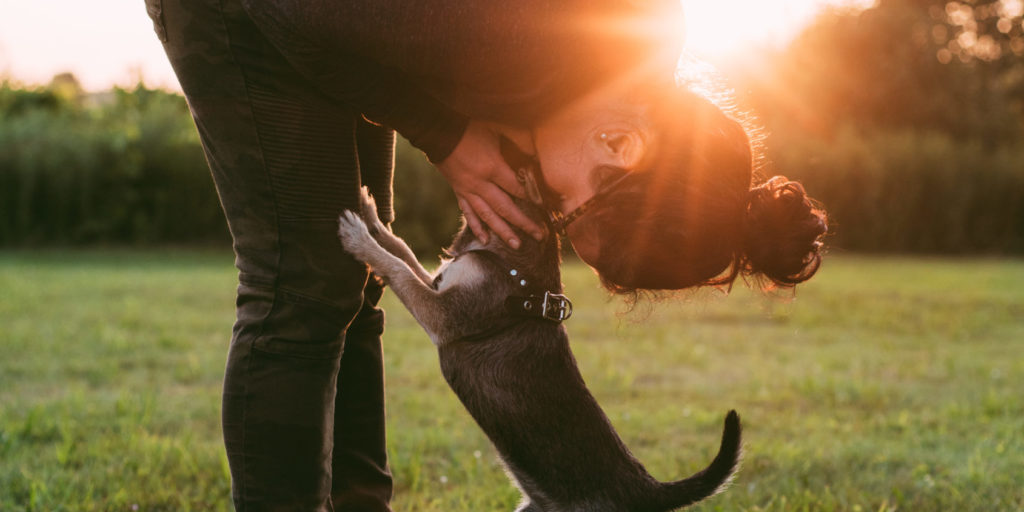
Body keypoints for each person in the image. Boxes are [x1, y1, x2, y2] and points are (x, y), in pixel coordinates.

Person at [144, 0, 827, 509]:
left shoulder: (623, 60)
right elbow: (295, 13)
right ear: (619, 144)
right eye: (568, 210)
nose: (546, 217)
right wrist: (444, 133)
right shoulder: (530, 32)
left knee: (349, 282)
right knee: (303, 284)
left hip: (342, 29)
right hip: (253, 13)